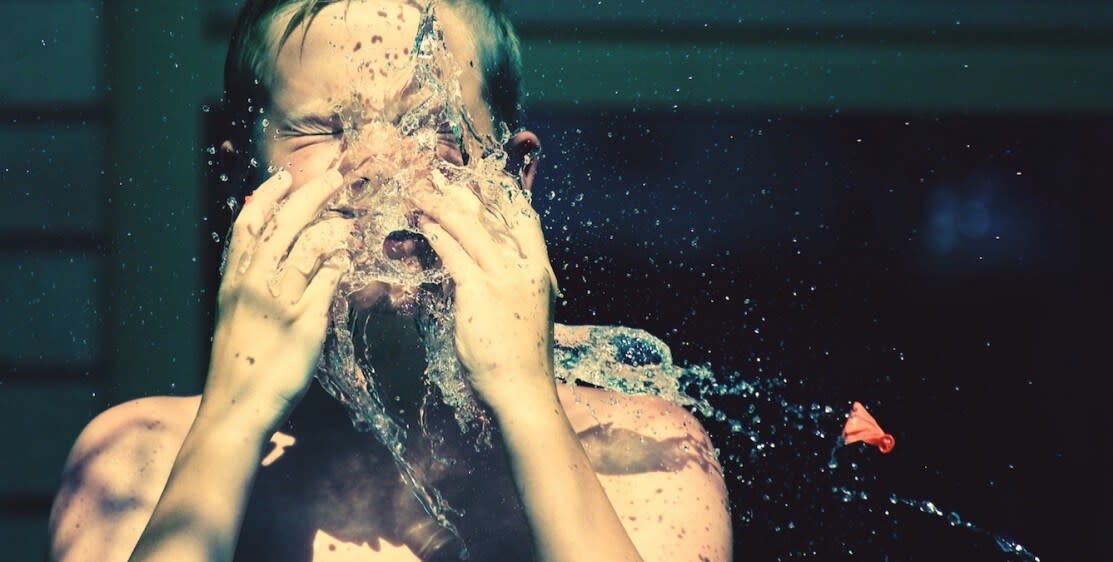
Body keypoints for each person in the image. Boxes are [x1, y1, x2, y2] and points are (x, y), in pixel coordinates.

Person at [47, 1, 732, 561]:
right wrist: (233, 416)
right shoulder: (138, 459)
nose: (376, 165)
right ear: (237, 179)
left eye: (429, 124)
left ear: (513, 177)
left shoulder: (637, 454)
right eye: (319, 128)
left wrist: (527, 401)